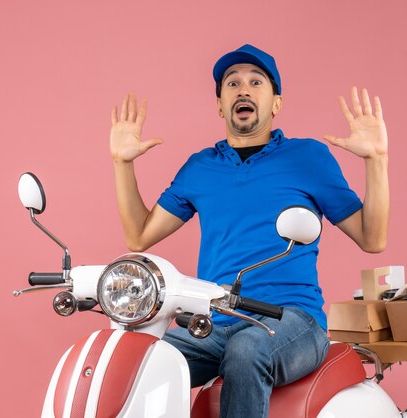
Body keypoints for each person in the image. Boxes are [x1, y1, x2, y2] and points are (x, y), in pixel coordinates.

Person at [109, 44, 389, 418]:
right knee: (139, 359)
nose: (243, 89)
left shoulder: (308, 158)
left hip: (291, 321)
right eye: (233, 83)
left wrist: (377, 160)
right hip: (214, 324)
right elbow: (140, 237)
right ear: (221, 105)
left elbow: (372, 239)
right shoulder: (200, 167)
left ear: (275, 103)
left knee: (247, 350)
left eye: (256, 82)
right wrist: (121, 163)